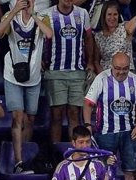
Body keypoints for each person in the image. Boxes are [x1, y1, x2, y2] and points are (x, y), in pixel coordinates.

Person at [0, 0, 53, 174]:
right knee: (17, 117)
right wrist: (14, 11)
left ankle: (27, 158)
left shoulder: (43, 17)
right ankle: (18, 161)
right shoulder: (10, 16)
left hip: (33, 76)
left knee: (30, 118)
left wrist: (33, 14)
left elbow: (49, 34)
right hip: (13, 75)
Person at [84, 52, 136, 180]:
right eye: (118, 68)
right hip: (106, 132)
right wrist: (88, 125)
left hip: (129, 132)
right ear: (111, 66)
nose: (121, 72)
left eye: (125, 68)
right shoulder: (101, 79)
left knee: (130, 170)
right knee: (103, 167)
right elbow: (88, 103)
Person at [42, 0, 94, 143]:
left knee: (74, 114)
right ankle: (56, 154)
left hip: (77, 72)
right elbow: (39, 39)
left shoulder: (82, 13)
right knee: (56, 115)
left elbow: (89, 38)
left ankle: (75, 152)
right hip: (54, 72)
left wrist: (89, 62)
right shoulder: (47, 14)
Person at [93, 1, 136, 73]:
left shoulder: (125, 28)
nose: (112, 18)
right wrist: (103, 76)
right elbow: (96, 61)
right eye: (109, 14)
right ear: (104, 16)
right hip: (107, 75)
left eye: (115, 14)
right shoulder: (98, 36)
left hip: (126, 74)